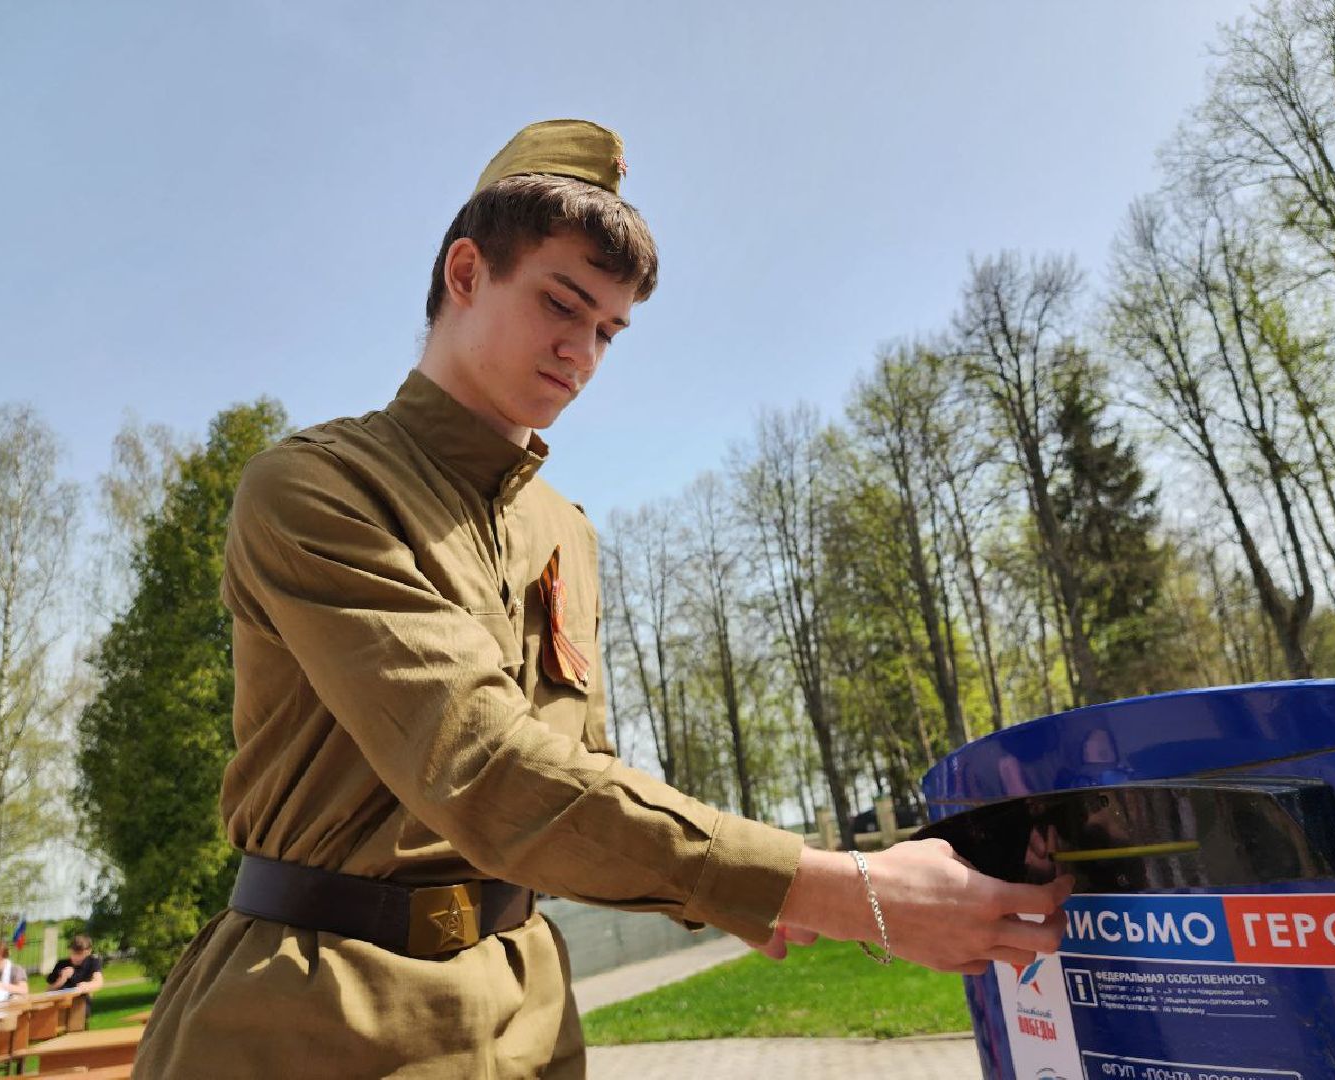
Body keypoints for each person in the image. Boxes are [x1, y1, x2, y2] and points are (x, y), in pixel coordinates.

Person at [134, 119, 1070, 1078]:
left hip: (531, 1015)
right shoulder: (316, 488)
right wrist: (836, 889)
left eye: (608, 331)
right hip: (315, 1015)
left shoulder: (564, 532)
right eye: (561, 304)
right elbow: (487, 769)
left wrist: (723, 892)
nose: (581, 353)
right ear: (465, 274)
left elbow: (577, 778)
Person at [46, 934, 104, 1017]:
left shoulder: (93, 961)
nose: (76, 957)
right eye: (73, 953)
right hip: (59, 1004)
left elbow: (99, 982)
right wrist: (62, 979)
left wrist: (86, 985)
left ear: (88, 951)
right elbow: (49, 990)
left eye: (80, 954)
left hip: (80, 1005)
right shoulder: (62, 964)